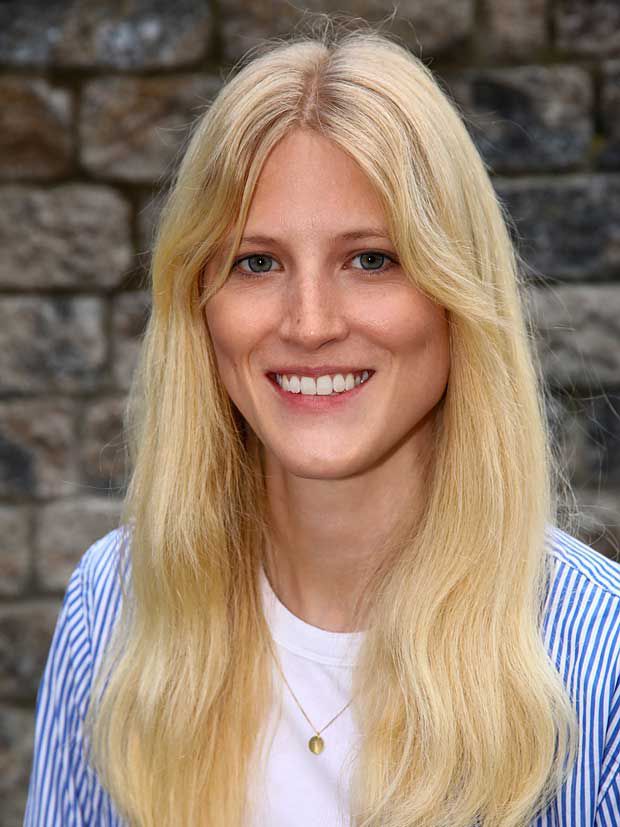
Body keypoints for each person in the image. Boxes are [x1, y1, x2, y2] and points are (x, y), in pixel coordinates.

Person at [24, 21, 620, 827]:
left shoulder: (600, 660)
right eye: (257, 262)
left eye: (371, 259)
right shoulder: (114, 610)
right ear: (199, 307)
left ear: (458, 294)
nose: (309, 324)